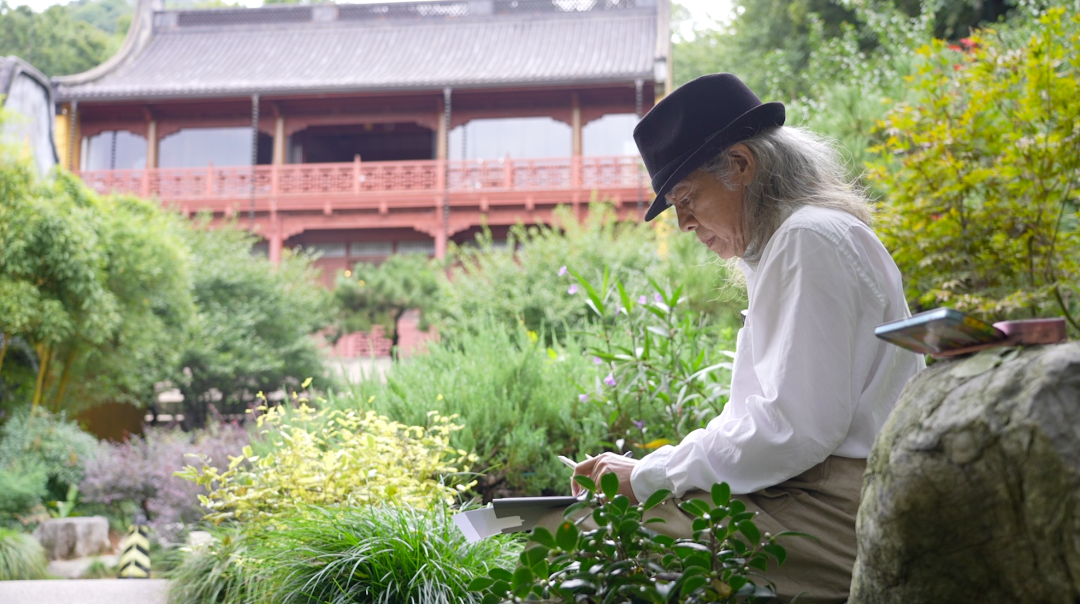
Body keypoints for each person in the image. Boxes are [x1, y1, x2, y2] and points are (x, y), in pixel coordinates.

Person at [546, 74, 925, 602]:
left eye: (687, 197)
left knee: (592, 529)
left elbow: (791, 431)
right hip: (829, 492)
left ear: (742, 165)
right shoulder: (796, 240)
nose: (683, 223)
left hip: (844, 505)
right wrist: (649, 470)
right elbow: (765, 421)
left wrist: (651, 475)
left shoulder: (807, 238)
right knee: (607, 518)